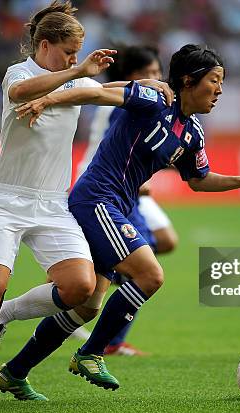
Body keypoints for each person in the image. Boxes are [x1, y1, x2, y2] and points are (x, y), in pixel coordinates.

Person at [4, 44, 240, 392]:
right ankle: (91, 353)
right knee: (150, 275)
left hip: (118, 205)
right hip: (96, 198)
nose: (220, 89)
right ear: (189, 80)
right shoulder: (155, 99)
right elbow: (99, 92)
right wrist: (46, 100)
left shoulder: (193, 132)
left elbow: (198, 180)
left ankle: (14, 372)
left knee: (87, 306)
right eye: (215, 80)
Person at [0, 1, 120, 408]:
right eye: (68, 53)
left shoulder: (72, 80)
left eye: (78, 55)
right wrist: (78, 72)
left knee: (81, 286)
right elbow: (20, 93)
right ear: (45, 46)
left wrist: (154, 89)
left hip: (52, 204)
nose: (75, 61)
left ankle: (2, 319)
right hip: (4, 200)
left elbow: (110, 94)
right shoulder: (21, 72)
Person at [75, 44, 178, 356]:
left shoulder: (146, 101)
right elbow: (117, 148)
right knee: (143, 269)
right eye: (147, 74)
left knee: (165, 241)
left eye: (157, 72)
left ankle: (107, 264)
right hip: (108, 187)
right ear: (131, 77)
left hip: (129, 189)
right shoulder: (122, 104)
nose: (156, 79)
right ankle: (112, 342)